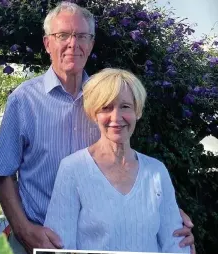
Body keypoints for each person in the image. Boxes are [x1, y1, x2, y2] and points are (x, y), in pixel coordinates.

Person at [0, 2, 195, 254]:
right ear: (47, 43)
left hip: (91, 237)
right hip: (37, 234)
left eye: (81, 36)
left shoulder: (105, 97)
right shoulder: (24, 100)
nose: (73, 44)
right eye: (62, 35)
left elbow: (124, 170)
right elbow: (3, 172)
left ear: (91, 44)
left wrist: (160, 208)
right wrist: (23, 229)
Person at [44, 68, 190, 253]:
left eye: (125, 106)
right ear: (93, 113)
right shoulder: (72, 169)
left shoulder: (156, 171)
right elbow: (60, 246)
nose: (116, 117)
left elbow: (176, 244)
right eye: (106, 107)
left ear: (137, 111)